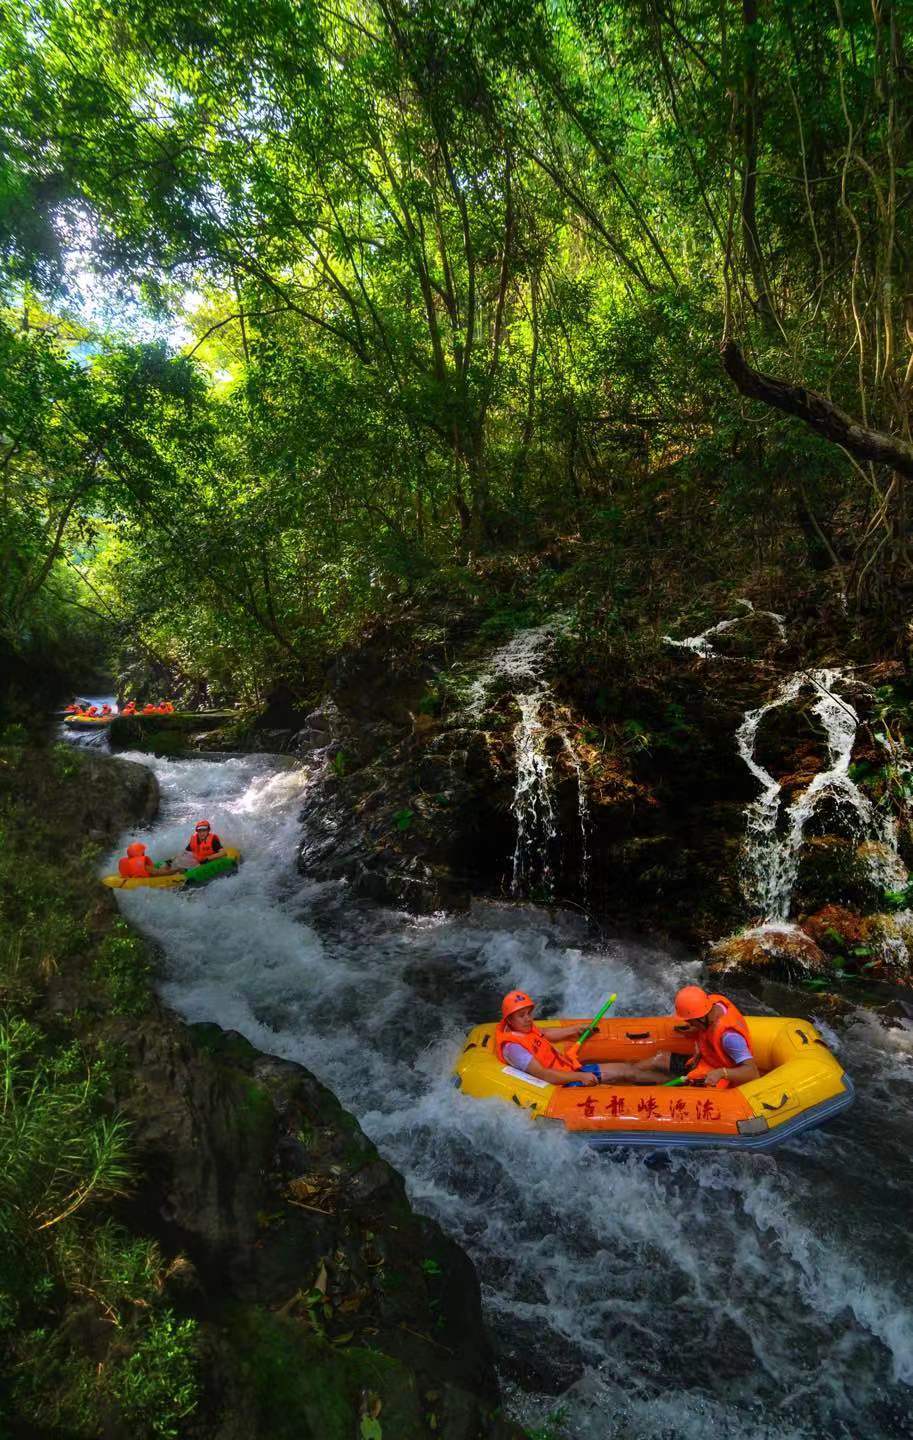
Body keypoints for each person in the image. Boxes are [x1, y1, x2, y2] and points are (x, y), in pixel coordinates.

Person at [495, 991, 660, 1088]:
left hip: (568, 1070)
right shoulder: (513, 1048)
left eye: (529, 1013)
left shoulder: (525, 1028)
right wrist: (579, 1077)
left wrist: (575, 1029)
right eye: (521, 1016)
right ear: (509, 1019)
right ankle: (672, 1084)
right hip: (563, 1085)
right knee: (626, 1073)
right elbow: (544, 1075)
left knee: (627, 1070)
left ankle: (670, 1080)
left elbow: (544, 1033)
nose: (528, 1019)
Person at [644, 985, 761, 1089]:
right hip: (705, 1061)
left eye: (690, 1021)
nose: (688, 1023)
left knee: (670, 1083)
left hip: (717, 1076)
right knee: (657, 1060)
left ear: (701, 1018)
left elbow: (752, 1073)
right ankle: (628, 1072)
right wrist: (695, 1029)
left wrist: (721, 1073)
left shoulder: (730, 1038)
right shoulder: (712, 1005)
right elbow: (709, 1029)